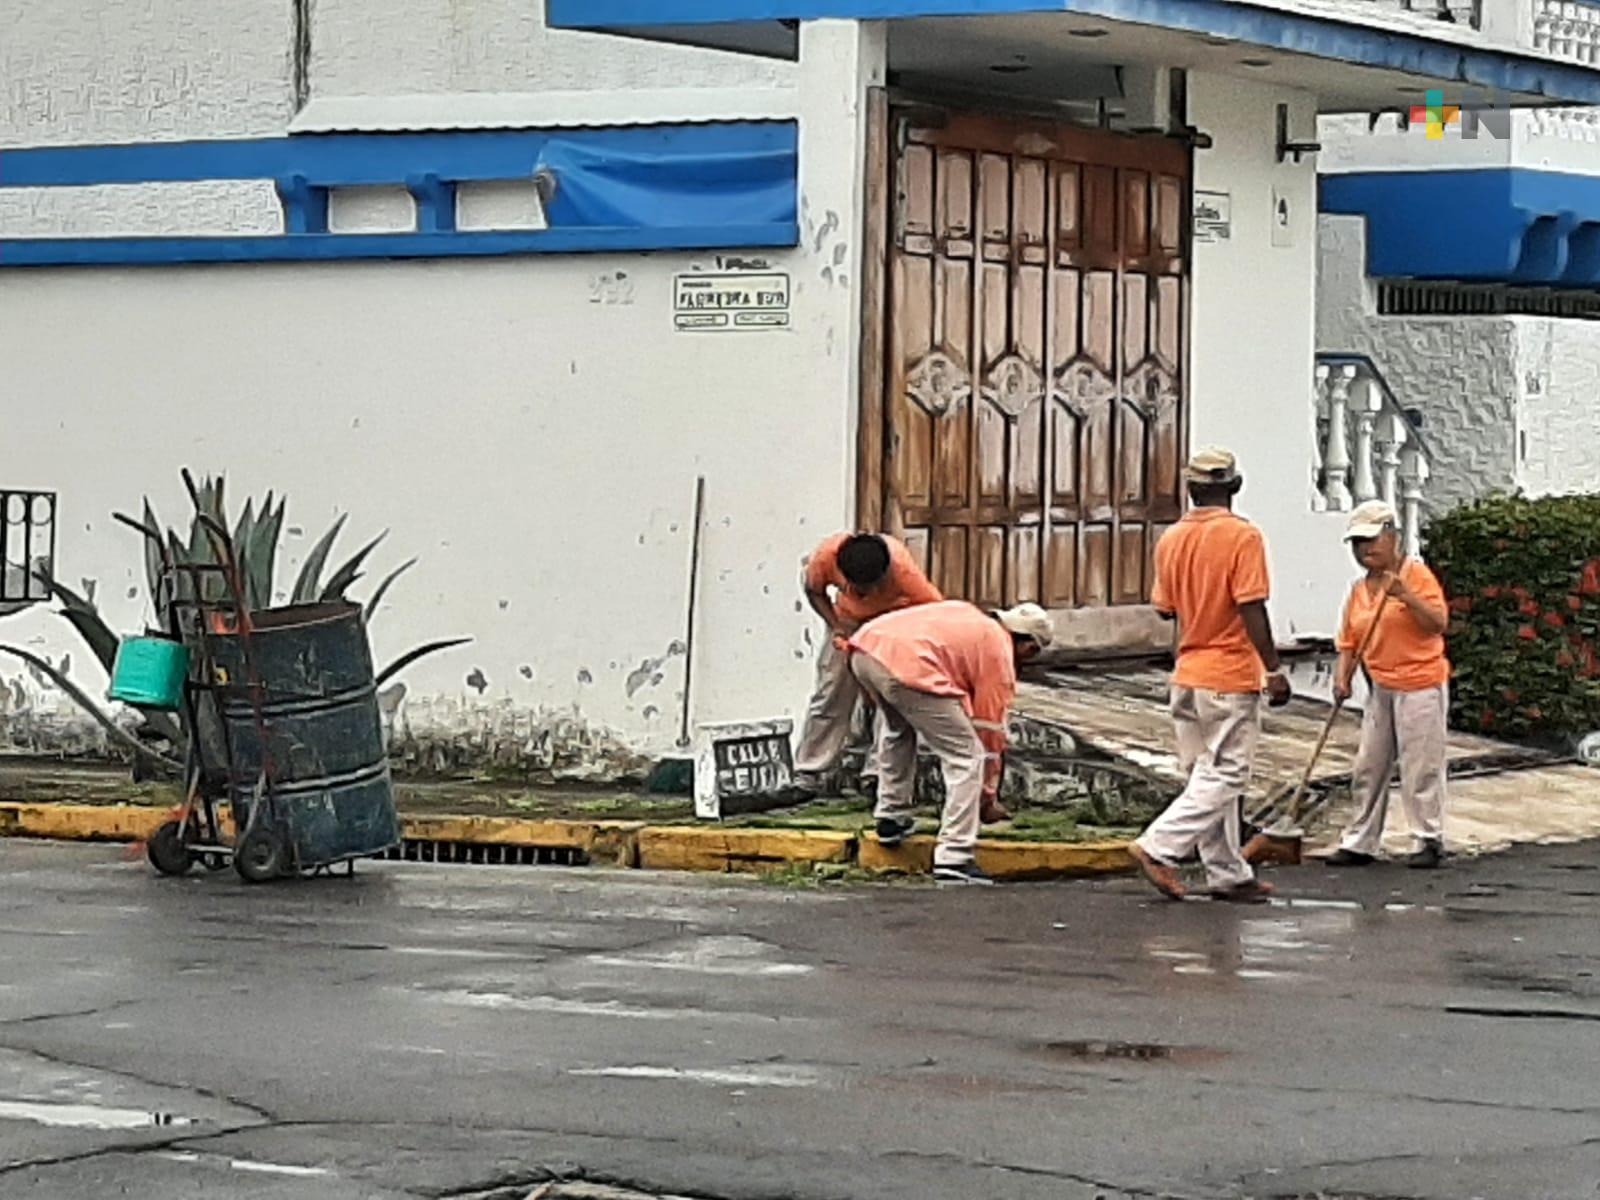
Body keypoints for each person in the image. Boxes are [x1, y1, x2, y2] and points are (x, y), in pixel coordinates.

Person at [1130, 447, 1291, 904]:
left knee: (1205, 773)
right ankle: (1159, 846)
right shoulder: (1243, 537)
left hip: (1188, 671)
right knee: (1227, 775)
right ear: (1235, 487)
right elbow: (1251, 605)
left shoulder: (1171, 539)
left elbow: (1166, 610)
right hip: (1229, 671)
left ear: (1190, 489)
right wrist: (1273, 668)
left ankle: (1226, 872)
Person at [847, 599, 1053, 885]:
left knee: (898, 729)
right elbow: (989, 729)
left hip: (865, 650)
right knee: (966, 756)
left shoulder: (969, 615)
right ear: (1029, 646)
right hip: (910, 666)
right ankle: (954, 856)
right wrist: (987, 796)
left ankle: (891, 816)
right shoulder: (998, 651)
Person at [1325, 500, 1451, 870]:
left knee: (1420, 764)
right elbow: (1348, 642)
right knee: (1369, 763)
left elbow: (1437, 623)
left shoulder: (1416, 575)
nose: (1365, 550)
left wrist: (1406, 597)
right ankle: (1360, 840)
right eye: (1357, 543)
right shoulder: (1359, 589)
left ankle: (1428, 836)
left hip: (1420, 683)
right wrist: (1341, 677)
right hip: (1380, 685)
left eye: (1371, 540)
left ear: (1391, 537)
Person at [791, 532, 942, 797]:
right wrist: (836, 627)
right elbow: (814, 591)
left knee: (890, 697)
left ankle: (878, 773)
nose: (865, 594)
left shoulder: (905, 574)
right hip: (847, 621)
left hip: (891, 625)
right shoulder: (825, 557)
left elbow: (935, 616)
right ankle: (809, 771)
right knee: (831, 692)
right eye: (857, 589)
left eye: (871, 588)